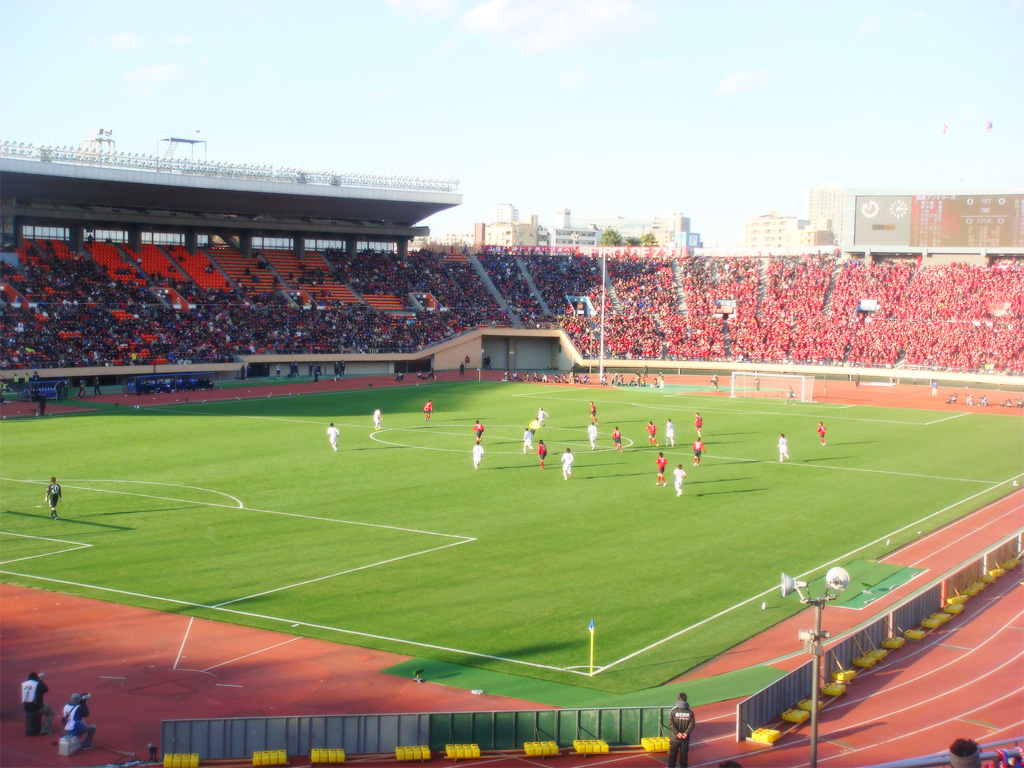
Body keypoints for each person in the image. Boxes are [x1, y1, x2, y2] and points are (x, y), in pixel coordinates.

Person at [666, 692, 695, 768]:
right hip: (685, 739)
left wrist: (677, 733)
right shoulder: (690, 712)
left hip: (674, 738)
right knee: (684, 756)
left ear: (678, 699)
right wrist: (686, 733)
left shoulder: (673, 711)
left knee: (672, 755)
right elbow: (692, 724)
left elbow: (670, 723)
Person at [21, 671, 55, 735]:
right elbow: (45, 689)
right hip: (36, 707)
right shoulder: (37, 684)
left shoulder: (23, 684)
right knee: (51, 711)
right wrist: (40, 680)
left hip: (26, 707)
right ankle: (45, 729)